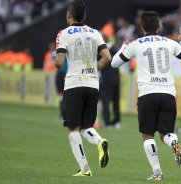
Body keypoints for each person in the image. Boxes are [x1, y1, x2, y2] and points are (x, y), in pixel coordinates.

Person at [111, 11, 181, 180]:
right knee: (166, 133)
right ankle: (173, 141)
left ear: (141, 27)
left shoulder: (136, 44)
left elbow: (114, 63)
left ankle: (157, 172)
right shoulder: (170, 43)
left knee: (148, 134)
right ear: (159, 26)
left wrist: (123, 46)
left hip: (147, 93)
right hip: (167, 93)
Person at [55, 0, 111, 176]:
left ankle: (85, 168)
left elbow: (59, 62)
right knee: (87, 126)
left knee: (73, 129)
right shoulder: (95, 33)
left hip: (74, 83)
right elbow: (107, 57)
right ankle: (99, 140)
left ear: (69, 15)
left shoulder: (63, 34)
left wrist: (57, 63)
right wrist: (95, 68)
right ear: (85, 16)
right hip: (92, 84)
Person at [100, 34, 121, 129]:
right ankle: (116, 121)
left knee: (106, 101)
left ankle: (107, 122)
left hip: (106, 79)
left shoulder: (101, 50)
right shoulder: (114, 48)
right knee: (116, 101)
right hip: (116, 78)